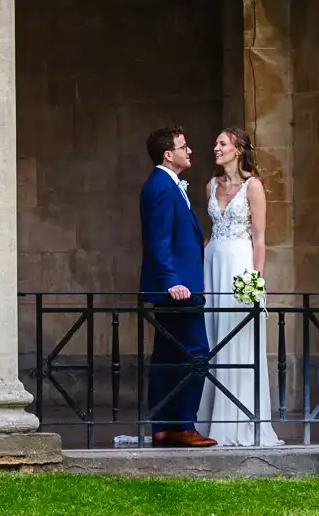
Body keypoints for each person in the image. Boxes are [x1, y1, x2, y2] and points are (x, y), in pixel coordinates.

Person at [196, 128, 284, 447]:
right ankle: (208, 421)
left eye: (222, 143)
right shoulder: (210, 185)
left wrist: (255, 281)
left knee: (238, 339)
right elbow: (210, 232)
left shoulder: (254, 186)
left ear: (238, 150)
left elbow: (259, 238)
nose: (215, 147)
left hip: (239, 265)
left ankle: (238, 421)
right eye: (216, 142)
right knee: (213, 337)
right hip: (213, 263)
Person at [138, 126, 215, 448]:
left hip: (180, 284)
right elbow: (157, 241)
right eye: (184, 147)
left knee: (169, 355)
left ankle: (163, 426)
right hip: (177, 289)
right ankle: (183, 425)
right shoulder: (159, 186)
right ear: (168, 154)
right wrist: (172, 283)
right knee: (196, 353)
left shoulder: (169, 185)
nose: (190, 151)